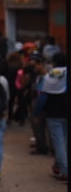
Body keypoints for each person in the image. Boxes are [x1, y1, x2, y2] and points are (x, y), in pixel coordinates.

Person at [34, 53, 67, 181]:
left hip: (54, 112)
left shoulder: (50, 76)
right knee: (64, 141)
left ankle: (64, 171)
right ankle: (58, 166)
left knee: (58, 142)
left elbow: (43, 96)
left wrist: (37, 112)